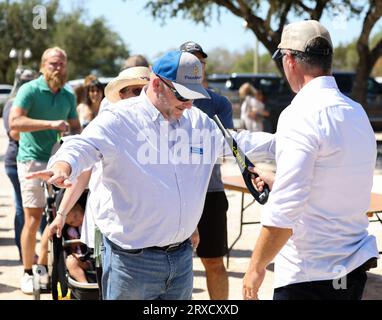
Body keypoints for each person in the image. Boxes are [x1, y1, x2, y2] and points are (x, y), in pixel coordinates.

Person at [27, 50, 276, 300]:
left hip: (181, 261)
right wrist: (63, 165)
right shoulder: (120, 119)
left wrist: (289, 143)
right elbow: (81, 145)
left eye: (194, 95)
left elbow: (238, 141)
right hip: (132, 265)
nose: (189, 104)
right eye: (183, 95)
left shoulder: (197, 121)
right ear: (157, 84)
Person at [242, 20, 378, 300]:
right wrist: (279, 181)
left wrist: (256, 267)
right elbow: (335, 182)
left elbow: (285, 209)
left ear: (290, 60)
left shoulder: (300, 113)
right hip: (350, 269)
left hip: (309, 276)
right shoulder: (356, 112)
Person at [9, 47, 81, 295]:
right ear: (42, 66)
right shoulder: (29, 90)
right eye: (53, 63)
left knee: (57, 217)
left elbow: (76, 129)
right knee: (33, 218)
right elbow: (14, 123)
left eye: (62, 63)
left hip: (57, 162)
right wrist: (50, 124)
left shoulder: (68, 95)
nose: (58, 68)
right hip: (31, 160)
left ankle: (42, 266)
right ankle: (27, 272)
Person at [179, 41, 232, 300]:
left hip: (209, 192)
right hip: (173, 192)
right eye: (190, 60)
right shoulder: (165, 98)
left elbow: (226, 149)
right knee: (175, 266)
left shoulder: (219, 103)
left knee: (213, 262)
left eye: (200, 61)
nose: (196, 65)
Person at [3, 68, 38, 261]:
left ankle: (33, 251)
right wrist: (41, 125)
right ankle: (25, 253)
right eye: (25, 80)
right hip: (16, 160)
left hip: (35, 159)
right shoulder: (12, 103)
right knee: (22, 208)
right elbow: (14, 133)